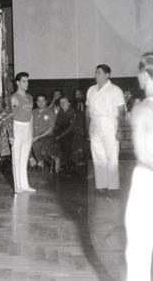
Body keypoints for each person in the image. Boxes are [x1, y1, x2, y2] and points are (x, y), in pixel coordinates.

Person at [124, 52, 153, 280]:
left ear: (144, 75)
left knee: (139, 245)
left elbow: (142, 153)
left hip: (147, 177)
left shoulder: (142, 109)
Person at [86, 64, 125, 194]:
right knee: (98, 156)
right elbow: (87, 110)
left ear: (107, 75)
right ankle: (102, 185)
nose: (96, 75)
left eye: (99, 73)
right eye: (96, 72)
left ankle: (113, 186)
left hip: (110, 124)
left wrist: (119, 129)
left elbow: (122, 111)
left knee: (111, 155)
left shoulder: (115, 90)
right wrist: (88, 128)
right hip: (94, 124)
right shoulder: (91, 90)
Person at [11, 72, 35, 193]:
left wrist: (31, 130)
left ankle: (25, 184)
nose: (27, 84)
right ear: (18, 83)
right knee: (17, 157)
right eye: (24, 81)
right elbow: (9, 116)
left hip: (27, 128)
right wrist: (11, 134)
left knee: (24, 158)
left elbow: (31, 115)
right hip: (17, 127)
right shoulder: (14, 98)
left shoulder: (29, 97)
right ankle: (17, 186)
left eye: (27, 81)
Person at [30, 94, 56, 171]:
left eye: (43, 101)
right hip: (33, 135)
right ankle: (32, 160)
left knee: (36, 144)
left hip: (46, 136)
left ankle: (40, 162)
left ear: (46, 101)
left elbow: (50, 129)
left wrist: (37, 137)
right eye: (39, 101)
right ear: (36, 102)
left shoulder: (51, 113)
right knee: (25, 142)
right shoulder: (33, 112)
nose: (41, 103)